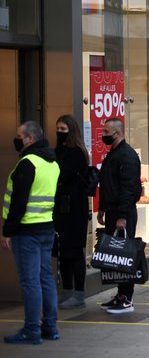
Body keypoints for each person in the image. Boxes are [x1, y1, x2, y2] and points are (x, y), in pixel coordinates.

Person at [2, 121, 60, 344]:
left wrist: (7, 231)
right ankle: (50, 327)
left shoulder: (28, 163)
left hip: (27, 232)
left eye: (19, 136)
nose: (16, 139)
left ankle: (31, 330)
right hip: (46, 227)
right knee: (45, 278)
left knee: (30, 282)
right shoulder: (52, 163)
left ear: (30, 139)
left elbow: (18, 202)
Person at [98, 118, 142, 314]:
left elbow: (128, 188)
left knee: (124, 255)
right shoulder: (114, 154)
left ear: (117, 133)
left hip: (122, 213)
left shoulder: (127, 156)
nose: (104, 134)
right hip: (113, 211)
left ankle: (126, 298)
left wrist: (122, 216)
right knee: (116, 256)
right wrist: (102, 208)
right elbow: (108, 184)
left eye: (107, 131)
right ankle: (120, 294)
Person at [53, 115, 90, 309]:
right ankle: (67, 291)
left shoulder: (76, 152)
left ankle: (79, 293)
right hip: (61, 207)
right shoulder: (60, 151)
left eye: (63, 129)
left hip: (74, 208)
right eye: (57, 128)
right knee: (63, 251)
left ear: (71, 130)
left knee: (74, 251)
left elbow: (61, 174)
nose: (59, 132)